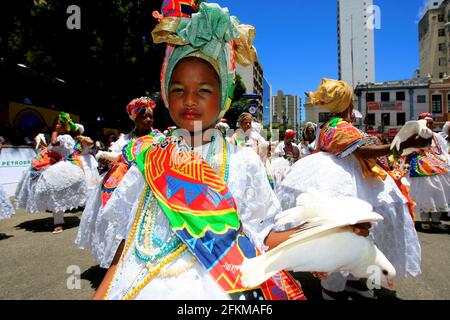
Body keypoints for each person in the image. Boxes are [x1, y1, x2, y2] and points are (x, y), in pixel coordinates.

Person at [91, 3, 373, 300]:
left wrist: (329, 231)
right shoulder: (148, 157)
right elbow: (128, 243)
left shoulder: (243, 161)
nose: (189, 100)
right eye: (177, 89)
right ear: (164, 92)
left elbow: (264, 235)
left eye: (203, 90)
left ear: (224, 95)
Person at [276, 78, 422, 300]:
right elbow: (364, 151)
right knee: (351, 230)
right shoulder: (340, 126)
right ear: (349, 104)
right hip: (346, 182)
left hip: (340, 178)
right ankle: (336, 286)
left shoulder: (330, 125)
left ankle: (352, 279)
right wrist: (401, 146)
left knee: (350, 230)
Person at [76, 97, 163, 268]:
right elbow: (112, 155)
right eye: (143, 116)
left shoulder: (159, 138)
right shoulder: (124, 140)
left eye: (151, 117)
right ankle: (115, 261)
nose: (148, 120)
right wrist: (108, 160)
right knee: (116, 222)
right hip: (121, 186)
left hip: (149, 186)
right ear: (134, 118)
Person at [15, 112, 88, 234]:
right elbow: (51, 148)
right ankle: (57, 220)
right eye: (57, 123)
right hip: (55, 165)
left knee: (57, 193)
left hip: (63, 167)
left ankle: (58, 223)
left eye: (60, 123)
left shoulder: (65, 138)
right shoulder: (61, 137)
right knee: (51, 193)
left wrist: (55, 131)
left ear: (65, 127)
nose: (57, 125)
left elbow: (54, 144)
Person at [406, 113, 450, 231]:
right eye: (427, 122)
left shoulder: (438, 137)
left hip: (437, 165)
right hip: (420, 167)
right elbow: (407, 150)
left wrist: (443, 159)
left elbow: (443, 151)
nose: (429, 125)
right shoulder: (414, 136)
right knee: (424, 192)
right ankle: (425, 219)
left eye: (431, 123)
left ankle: (436, 220)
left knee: (439, 191)